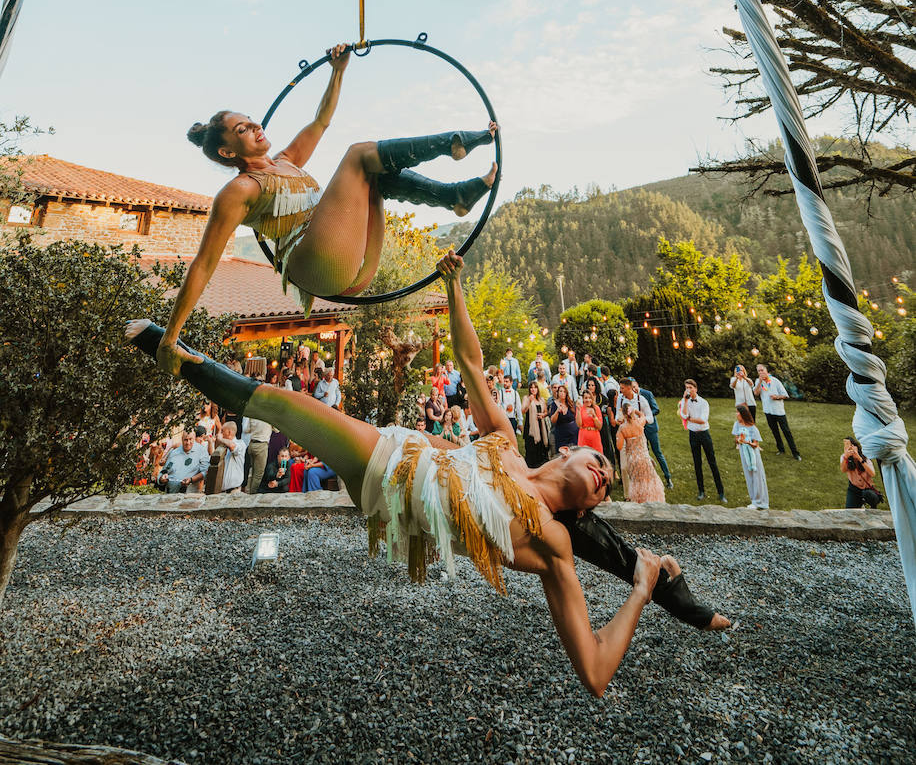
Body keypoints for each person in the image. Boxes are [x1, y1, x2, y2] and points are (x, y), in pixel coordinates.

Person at [128, 252, 730, 698]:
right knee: (289, 405)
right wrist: (456, 285)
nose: (604, 475)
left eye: (606, 485)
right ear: (567, 453)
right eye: (599, 463)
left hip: (399, 495)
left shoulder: (552, 540)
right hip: (393, 453)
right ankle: (170, 351)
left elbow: (596, 674)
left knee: (290, 407)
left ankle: (168, 349)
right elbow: (471, 362)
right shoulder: (509, 446)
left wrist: (643, 586)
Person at [153, 43, 498, 376]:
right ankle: (451, 142)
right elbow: (204, 263)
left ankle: (455, 197)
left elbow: (321, 120)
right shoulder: (239, 189)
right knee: (358, 155)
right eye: (242, 129)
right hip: (314, 262)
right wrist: (169, 339)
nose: (257, 127)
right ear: (228, 152)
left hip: (352, 268)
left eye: (252, 121)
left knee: (375, 174)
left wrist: (338, 71)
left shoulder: (286, 162)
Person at [615, 378, 672, 490]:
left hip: (644, 432)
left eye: (622, 388)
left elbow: (650, 417)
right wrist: (619, 419)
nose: (620, 390)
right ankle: (630, 491)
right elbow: (618, 413)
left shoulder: (642, 399)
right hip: (627, 434)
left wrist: (640, 421)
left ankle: (666, 478)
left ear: (629, 388)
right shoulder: (620, 399)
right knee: (625, 466)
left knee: (656, 453)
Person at [678, 381, 726, 504]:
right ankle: (701, 491)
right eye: (686, 388)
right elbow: (683, 415)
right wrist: (685, 401)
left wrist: (690, 419)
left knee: (712, 462)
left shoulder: (704, 403)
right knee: (697, 462)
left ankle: (720, 492)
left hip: (704, 434)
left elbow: (703, 420)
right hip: (692, 434)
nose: (688, 390)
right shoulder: (685, 401)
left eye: (690, 387)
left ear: (696, 389)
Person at [617, 402, 665, 504]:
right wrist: (636, 411)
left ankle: (638, 501)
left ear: (624, 414)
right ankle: (653, 500)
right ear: (632, 412)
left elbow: (619, 446)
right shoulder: (640, 422)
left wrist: (619, 433)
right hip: (643, 458)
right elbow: (643, 415)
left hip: (632, 460)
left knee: (636, 482)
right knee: (649, 480)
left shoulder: (622, 429)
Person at [753, 364, 801, 460]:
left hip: (779, 411)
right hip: (768, 411)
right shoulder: (758, 381)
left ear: (766, 370)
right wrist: (760, 382)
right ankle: (781, 449)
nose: (761, 372)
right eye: (759, 371)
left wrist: (777, 397)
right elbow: (756, 393)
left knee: (786, 432)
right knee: (775, 431)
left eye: (762, 370)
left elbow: (785, 395)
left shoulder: (775, 381)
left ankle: (795, 453)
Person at [732, 404, 768, 510]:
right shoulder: (737, 425)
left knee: (757, 475)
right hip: (743, 453)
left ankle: (760, 501)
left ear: (743, 414)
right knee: (749, 476)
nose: (736, 414)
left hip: (753, 454)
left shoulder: (752, 428)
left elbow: (756, 445)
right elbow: (736, 438)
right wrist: (739, 441)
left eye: (738, 412)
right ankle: (754, 499)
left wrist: (747, 442)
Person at [841, 437, 884, 508]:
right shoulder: (844, 457)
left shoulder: (865, 457)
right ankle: (859, 504)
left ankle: (872, 506)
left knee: (868, 494)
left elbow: (872, 474)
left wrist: (859, 458)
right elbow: (843, 470)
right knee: (850, 510)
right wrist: (846, 457)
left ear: (857, 447)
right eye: (847, 446)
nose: (850, 448)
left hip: (867, 489)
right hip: (854, 488)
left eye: (852, 445)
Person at [521, 381, 550, 467]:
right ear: (529, 389)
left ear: (538, 389)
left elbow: (546, 412)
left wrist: (543, 415)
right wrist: (529, 401)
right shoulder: (526, 398)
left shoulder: (541, 399)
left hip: (541, 427)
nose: (533, 389)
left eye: (535, 387)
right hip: (530, 428)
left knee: (541, 449)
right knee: (531, 449)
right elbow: (523, 411)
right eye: (531, 388)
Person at [213, 421, 246, 493]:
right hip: (221, 491)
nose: (221, 434)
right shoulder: (224, 445)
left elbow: (232, 446)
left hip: (233, 491)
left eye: (222, 431)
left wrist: (221, 439)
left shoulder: (240, 444)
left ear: (229, 432)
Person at [243, 413, 273, 494]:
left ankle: (247, 491)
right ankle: (253, 494)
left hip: (252, 444)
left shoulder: (253, 415)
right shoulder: (270, 416)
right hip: (261, 445)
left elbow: (246, 430)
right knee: (258, 474)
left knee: (252, 471)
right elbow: (277, 430)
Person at [576, 377, 605, 451]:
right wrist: (578, 411)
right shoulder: (580, 408)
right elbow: (579, 425)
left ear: (592, 399)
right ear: (583, 399)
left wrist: (594, 416)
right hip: (583, 436)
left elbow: (599, 427)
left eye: (589, 398)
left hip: (594, 436)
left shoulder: (596, 408)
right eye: (586, 398)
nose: (588, 400)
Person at [548, 384, 578, 451]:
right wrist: (557, 411)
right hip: (561, 435)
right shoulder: (554, 404)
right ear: (557, 393)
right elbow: (553, 421)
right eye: (560, 391)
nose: (562, 393)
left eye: (564, 392)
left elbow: (576, 416)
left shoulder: (571, 403)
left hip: (573, 434)